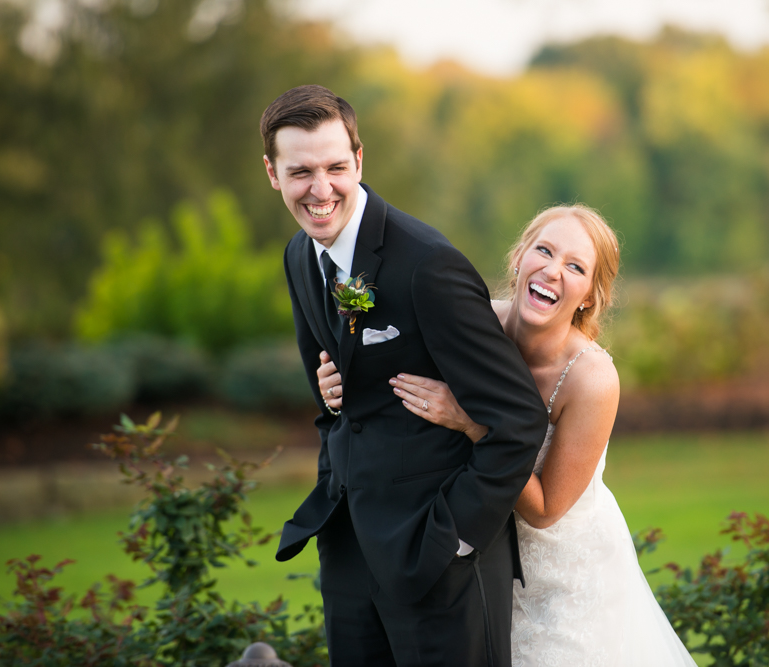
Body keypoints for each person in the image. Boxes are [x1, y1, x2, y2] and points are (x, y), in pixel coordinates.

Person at [262, 84, 548, 666]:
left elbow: (519, 421)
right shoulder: (300, 255)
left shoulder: (427, 266)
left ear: (359, 161)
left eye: (336, 167)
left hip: (438, 558)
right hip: (349, 549)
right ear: (272, 172)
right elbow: (335, 406)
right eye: (300, 172)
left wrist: (456, 537)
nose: (321, 190)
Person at [352, 205, 698, 665]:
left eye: (575, 267)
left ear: (591, 296)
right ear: (519, 257)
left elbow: (546, 511)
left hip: (566, 573)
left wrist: (474, 426)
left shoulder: (590, 380)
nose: (553, 271)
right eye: (545, 251)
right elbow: (390, 375)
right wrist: (334, 380)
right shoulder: (472, 326)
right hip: (482, 555)